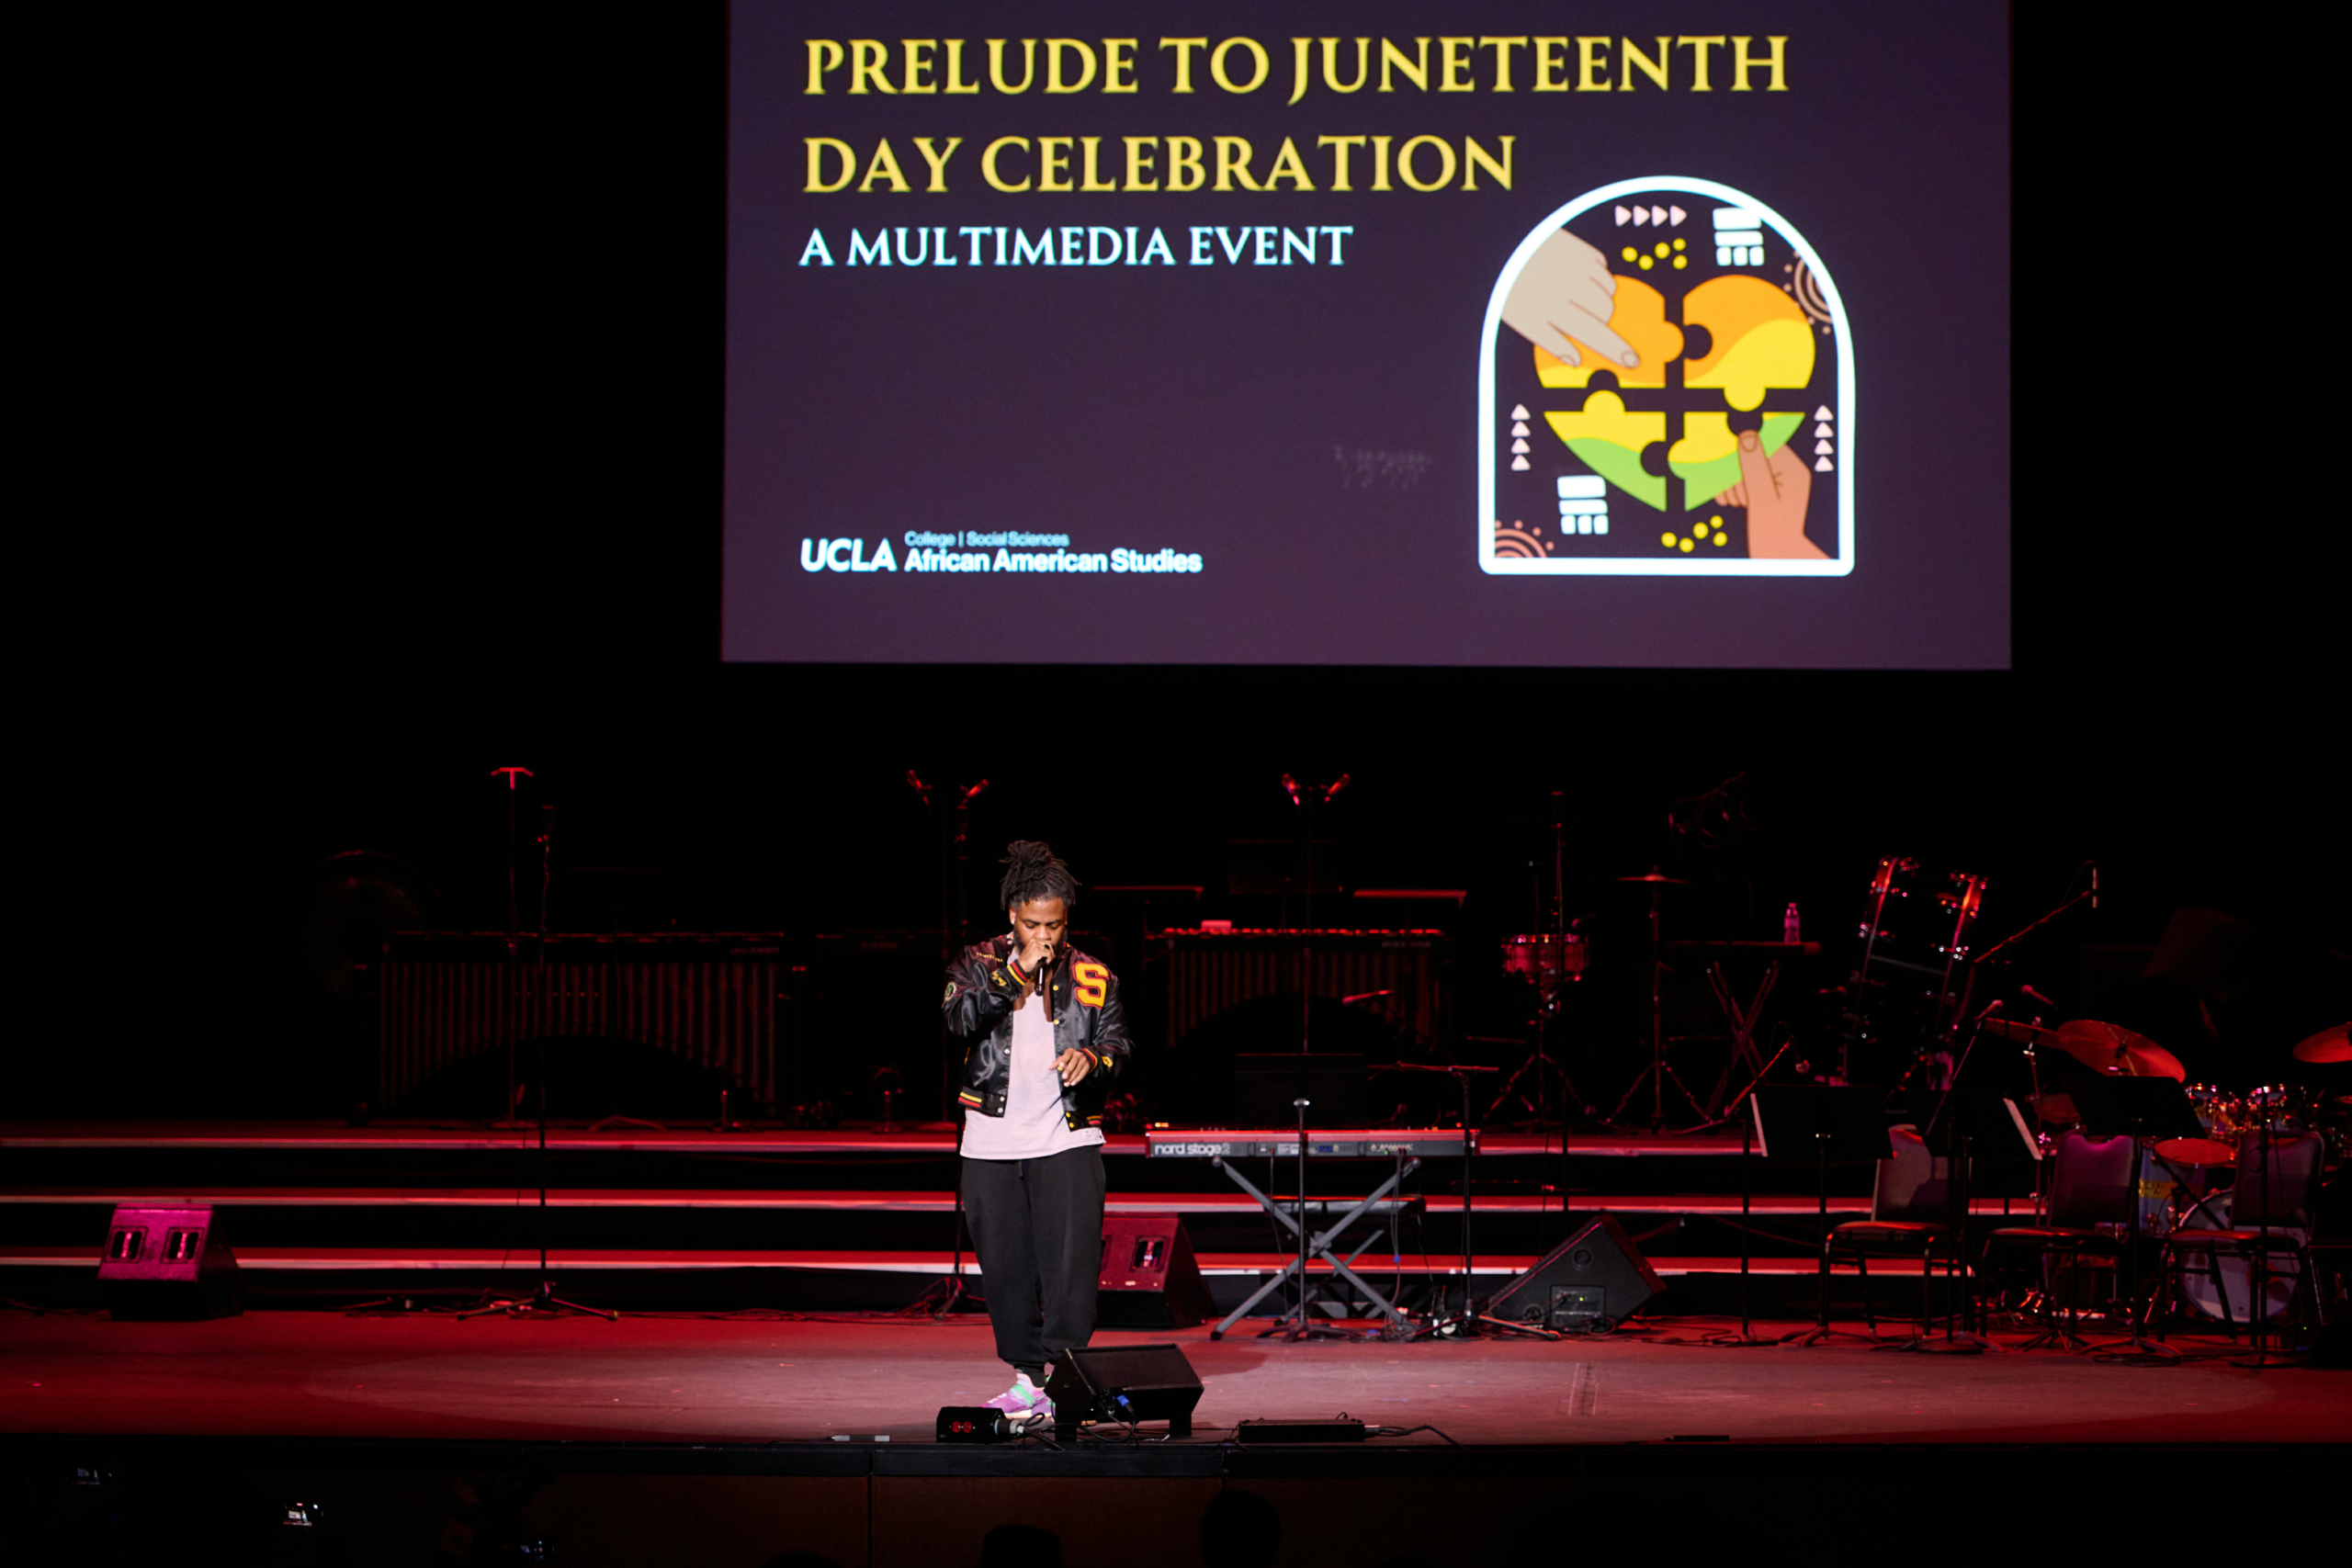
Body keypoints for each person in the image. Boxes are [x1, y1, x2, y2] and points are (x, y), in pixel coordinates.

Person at [943, 840, 1130, 1424]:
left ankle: (1066, 1377)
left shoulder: (1094, 975)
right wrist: (1015, 972)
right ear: (1012, 916)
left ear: (1065, 919)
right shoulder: (976, 964)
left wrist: (1091, 1062)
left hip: (1066, 1138)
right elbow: (959, 1019)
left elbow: (1118, 1047)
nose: (1043, 935)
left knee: (1071, 1270)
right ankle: (1029, 1379)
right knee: (1005, 1269)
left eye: (1053, 924)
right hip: (991, 1143)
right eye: (1031, 924)